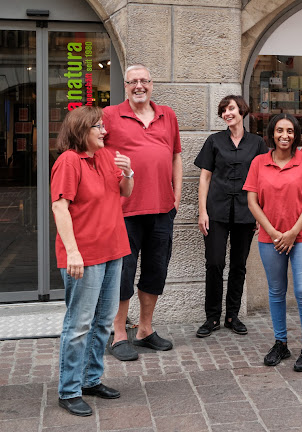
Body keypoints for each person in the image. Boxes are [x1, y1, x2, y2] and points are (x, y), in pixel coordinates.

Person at [51, 106, 133, 416]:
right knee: (79, 325)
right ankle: (69, 390)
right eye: (97, 126)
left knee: (102, 322)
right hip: (84, 256)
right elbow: (60, 208)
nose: (103, 131)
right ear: (80, 130)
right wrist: (72, 252)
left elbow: (125, 192)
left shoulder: (106, 156)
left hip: (114, 250)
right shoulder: (69, 162)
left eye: (102, 126)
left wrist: (128, 172)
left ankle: (90, 379)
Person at [103, 64, 182, 361]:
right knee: (123, 272)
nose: (139, 86)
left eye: (144, 81)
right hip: (124, 210)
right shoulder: (110, 115)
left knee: (155, 270)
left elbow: (175, 156)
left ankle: (145, 330)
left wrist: (176, 197)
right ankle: (119, 333)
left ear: (152, 84)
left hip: (162, 208)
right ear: (125, 85)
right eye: (133, 81)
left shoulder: (168, 115)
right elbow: (97, 152)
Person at [243, 113, 302, 372]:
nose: (285, 135)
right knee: (276, 292)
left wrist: (292, 233)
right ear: (271, 133)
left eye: (290, 131)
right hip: (270, 238)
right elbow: (252, 202)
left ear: (296, 134)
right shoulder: (258, 162)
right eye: (279, 130)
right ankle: (281, 343)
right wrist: (274, 232)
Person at [193, 95, 267, 338]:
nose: (227, 113)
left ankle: (232, 316)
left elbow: (262, 180)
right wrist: (202, 211)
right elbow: (204, 178)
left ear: (242, 111)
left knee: (238, 265)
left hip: (246, 212)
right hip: (216, 211)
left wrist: (260, 213)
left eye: (231, 108)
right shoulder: (214, 141)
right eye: (224, 110)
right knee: (214, 263)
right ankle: (212, 317)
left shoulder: (256, 143)